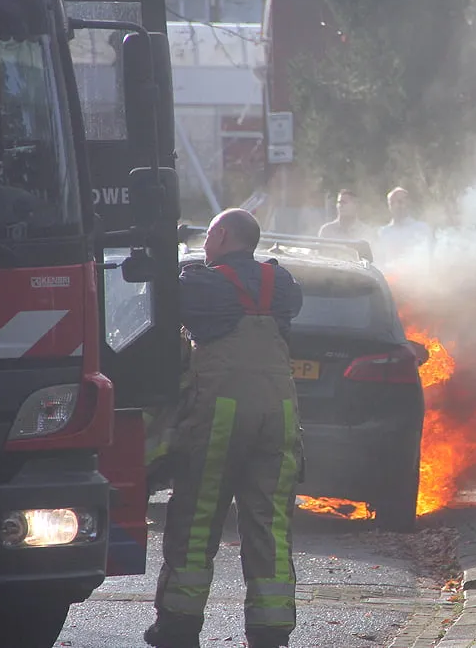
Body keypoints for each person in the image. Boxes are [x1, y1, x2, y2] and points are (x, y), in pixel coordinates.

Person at [146, 208, 305, 648]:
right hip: (280, 415)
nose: (206, 243)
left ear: (223, 235)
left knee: (198, 518)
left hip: (220, 416)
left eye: (210, 234)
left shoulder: (201, 283)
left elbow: (162, 305)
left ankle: (177, 626)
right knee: (269, 524)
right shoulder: (283, 284)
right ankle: (271, 632)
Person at [376, 186, 432, 263]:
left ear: (408, 203)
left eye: (400, 202)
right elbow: (380, 261)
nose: (396, 206)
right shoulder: (383, 232)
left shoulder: (422, 229)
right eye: (392, 203)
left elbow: (429, 257)